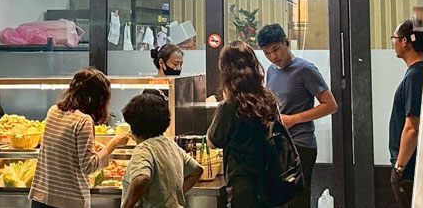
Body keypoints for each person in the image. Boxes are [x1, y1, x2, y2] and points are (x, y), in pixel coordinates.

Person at [257, 24, 337, 208]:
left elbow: (331, 105)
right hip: (277, 143)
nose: (273, 57)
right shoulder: (271, 71)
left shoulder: (305, 69)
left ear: (286, 42)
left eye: (276, 49)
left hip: (301, 145)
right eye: (267, 53)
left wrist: (294, 119)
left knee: (297, 200)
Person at [30, 67, 132, 208]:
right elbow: (88, 166)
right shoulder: (83, 120)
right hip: (68, 201)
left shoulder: (53, 110)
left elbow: (62, 145)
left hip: (41, 197)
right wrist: (113, 144)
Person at [207, 41, 281, 208]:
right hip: (271, 180)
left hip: (243, 187)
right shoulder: (268, 100)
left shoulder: (230, 106)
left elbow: (212, 142)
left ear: (226, 71)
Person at [119, 94, 204, 208]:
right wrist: (173, 198)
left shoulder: (143, 149)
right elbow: (197, 170)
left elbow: (141, 178)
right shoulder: (170, 145)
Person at [388, 20, 423, 208]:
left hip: (409, 169)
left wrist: (399, 168)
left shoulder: (415, 76)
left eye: (394, 38)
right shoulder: (419, 72)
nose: (393, 42)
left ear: (404, 41)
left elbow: (412, 127)